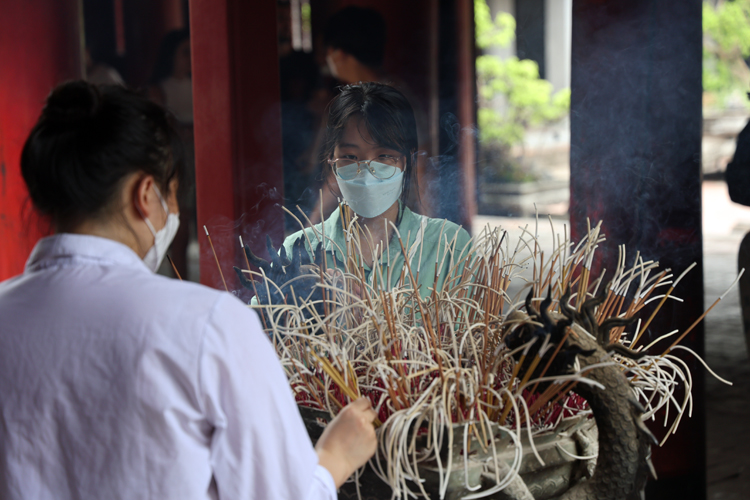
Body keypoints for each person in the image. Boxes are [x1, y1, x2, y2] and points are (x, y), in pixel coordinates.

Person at [0, 81, 377, 499]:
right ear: (145, 195)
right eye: (174, 195)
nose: (174, 212)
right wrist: (333, 459)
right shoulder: (207, 324)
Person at [281, 82, 471, 297]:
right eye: (350, 157)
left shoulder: (449, 247)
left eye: (384, 156)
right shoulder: (297, 251)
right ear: (332, 161)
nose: (367, 172)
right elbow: (260, 323)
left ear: (406, 161)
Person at [147, 28, 196, 280]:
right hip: (178, 159)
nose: (190, 58)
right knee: (180, 224)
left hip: (201, 158)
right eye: (185, 53)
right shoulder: (159, 89)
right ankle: (180, 280)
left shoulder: (199, 83)